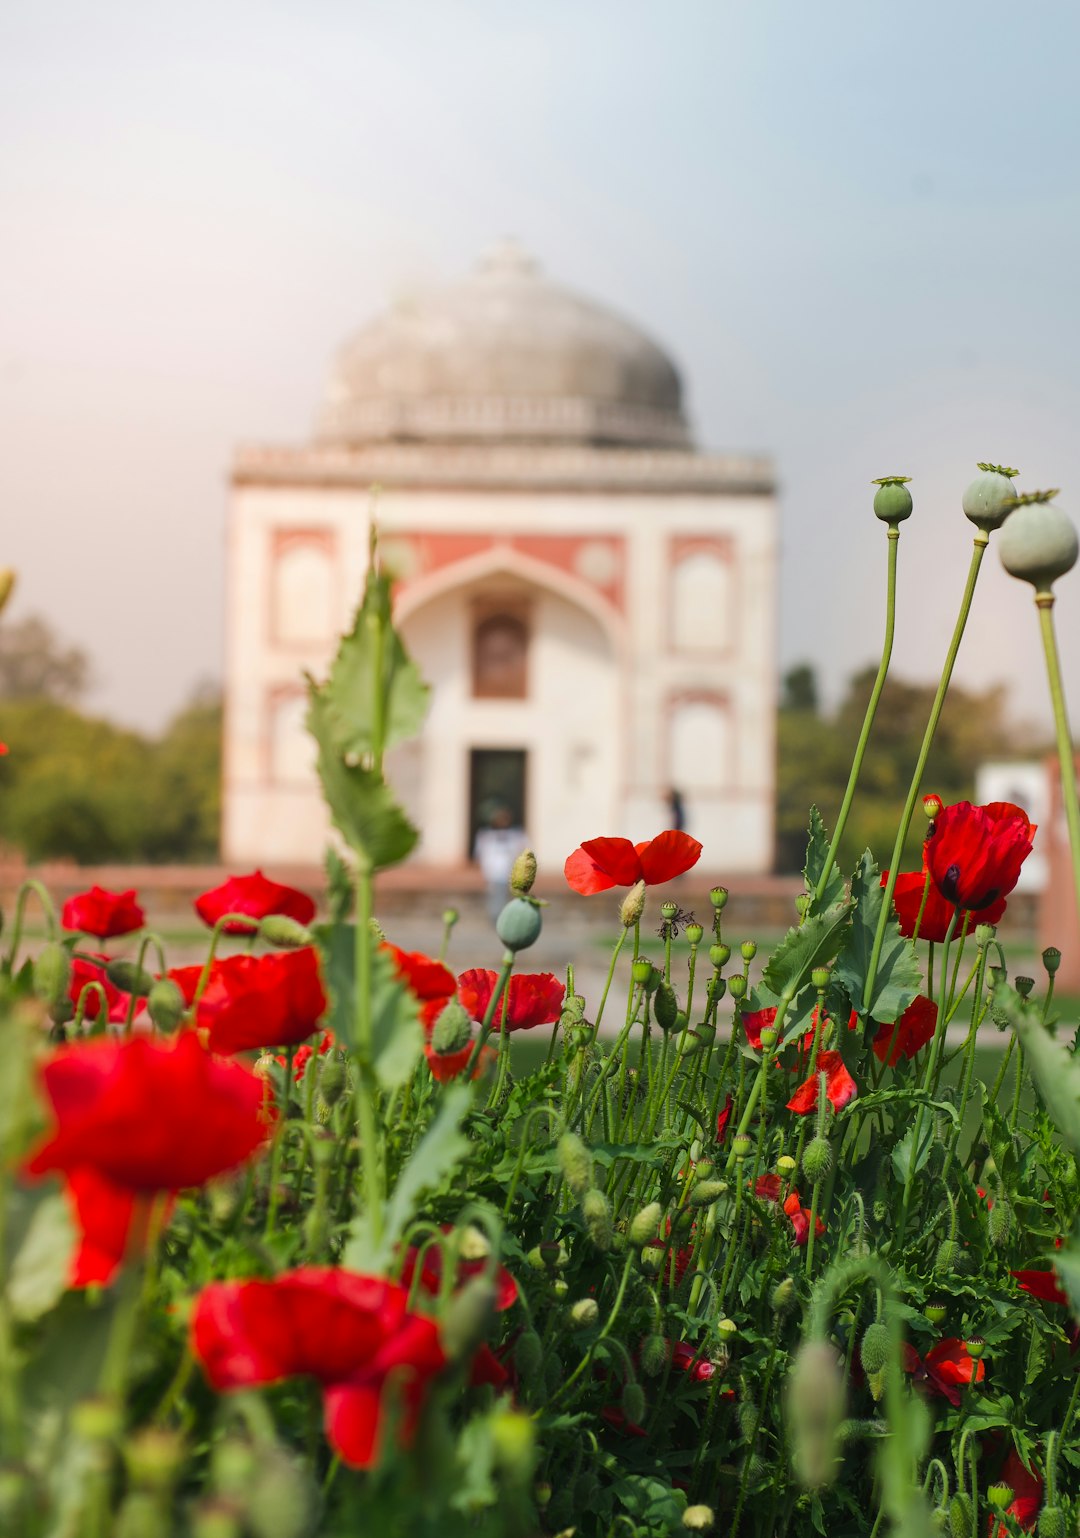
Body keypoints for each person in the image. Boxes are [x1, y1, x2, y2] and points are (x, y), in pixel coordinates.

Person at [473, 804, 528, 925]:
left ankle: (508, 919)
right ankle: (494, 919)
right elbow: (481, 855)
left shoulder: (516, 836)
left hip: (510, 873)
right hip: (493, 873)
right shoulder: (486, 836)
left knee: (510, 898)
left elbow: (523, 851)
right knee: (495, 897)